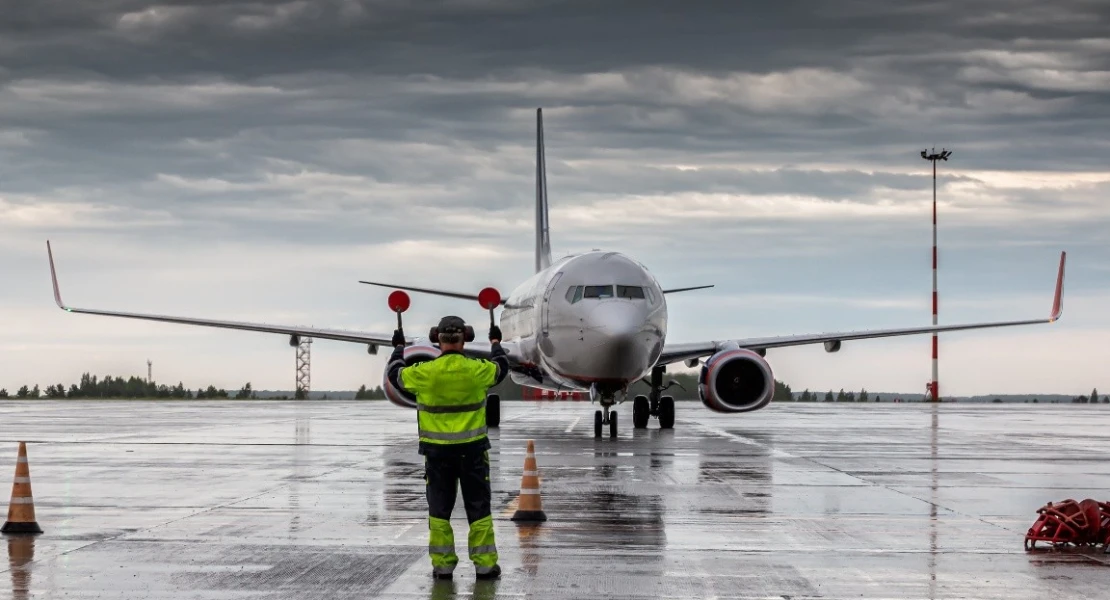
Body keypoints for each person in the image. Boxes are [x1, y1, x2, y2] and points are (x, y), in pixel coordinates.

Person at [387, 315, 509, 581]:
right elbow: (501, 367)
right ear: (465, 337)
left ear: (436, 338)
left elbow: (395, 375)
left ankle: (443, 567)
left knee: (439, 512)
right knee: (479, 510)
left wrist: (399, 348)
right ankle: (485, 566)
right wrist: (495, 341)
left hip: (437, 455)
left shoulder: (423, 373)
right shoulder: (477, 370)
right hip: (473, 453)